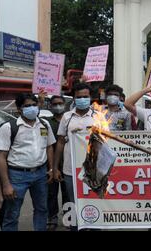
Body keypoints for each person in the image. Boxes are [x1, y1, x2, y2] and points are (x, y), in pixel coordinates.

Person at [0, 93, 55, 231]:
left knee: (42, 209)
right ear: (19, 109)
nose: (32, 108)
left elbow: (49, 146)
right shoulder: (9, 127)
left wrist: (51, 169)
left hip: (40, 174)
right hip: (17, 175)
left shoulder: (44, 124)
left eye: (34, 105)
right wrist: (6, 185)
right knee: (12, 214)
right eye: (27, 106)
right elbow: (0, 157)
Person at [53, 82, 95, 229]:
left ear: (90, 97)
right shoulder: (67, 117)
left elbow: (106, 142)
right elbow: (60, 142)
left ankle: (93, 226)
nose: (82, 99)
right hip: (70, 169)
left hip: (93, 170)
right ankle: (74, 228)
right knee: (73, 201)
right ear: (74, 98)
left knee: (94, 201)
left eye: (85, 96)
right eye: (79, 97)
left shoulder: (99, 116)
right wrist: (55, 168)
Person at [45, 95, 69, 231]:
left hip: (67, 163)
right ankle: (52, 218)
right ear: (50, 106)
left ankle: (68, 217)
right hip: (51, 163)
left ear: (65, 104)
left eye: (60, 103)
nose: (58, 106)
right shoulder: (47, 122)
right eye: (55, 104)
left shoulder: (69, 120)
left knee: (68, 193)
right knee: (51, 193)